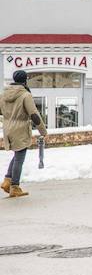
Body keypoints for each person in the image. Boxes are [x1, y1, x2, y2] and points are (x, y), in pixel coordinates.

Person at [1, 70, 48, 198]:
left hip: (8, 128)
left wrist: (6, 120)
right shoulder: (25, 95)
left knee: (17, 154)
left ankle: (7, 181)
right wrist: (43, 131)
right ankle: (14, 187)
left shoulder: (4, 94)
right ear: (24, 80)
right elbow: (34, 115)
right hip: (20, 128)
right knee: (20, 157)